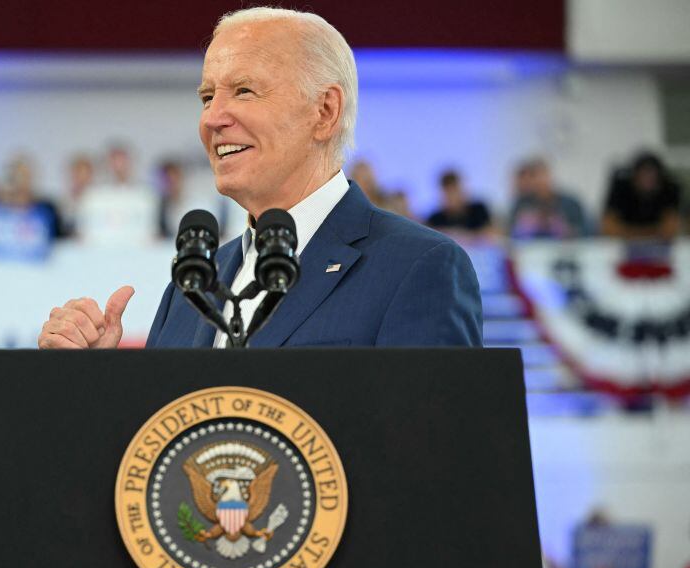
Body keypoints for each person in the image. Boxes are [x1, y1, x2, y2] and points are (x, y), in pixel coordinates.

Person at [37, 7, 481, 350]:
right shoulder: (191, 287)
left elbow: (438, 454)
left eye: (244, 91)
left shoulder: (419, 267)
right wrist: (94, 379)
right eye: (207, 96)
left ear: (324, 112)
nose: (212, 117)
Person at [601, 152, 682, 241]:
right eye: (643, 175)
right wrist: (651, 233)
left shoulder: (669, 190)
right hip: (623, 245)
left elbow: (669, 230)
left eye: (651, 177)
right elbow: (608, 228)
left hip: (658, 247)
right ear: (634, 177)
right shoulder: (621, 189)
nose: (647, 180)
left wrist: (630, 233)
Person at [508, 157, 591, 239]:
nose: (539, 181)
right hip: (531, 249)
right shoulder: (522, 204)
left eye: (542, 176)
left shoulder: (570, 204)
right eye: (534, 176)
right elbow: (509, 232)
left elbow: (588, 231)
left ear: (549, 176)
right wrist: (524, 227)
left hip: (566, 249)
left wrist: (567, 230)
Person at [426, 169, 497, 237]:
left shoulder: (478, 210)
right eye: (448, 193)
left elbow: (493, 232)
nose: (452, 197)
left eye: (454, 191)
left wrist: (464, 236)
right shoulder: (435, 219)